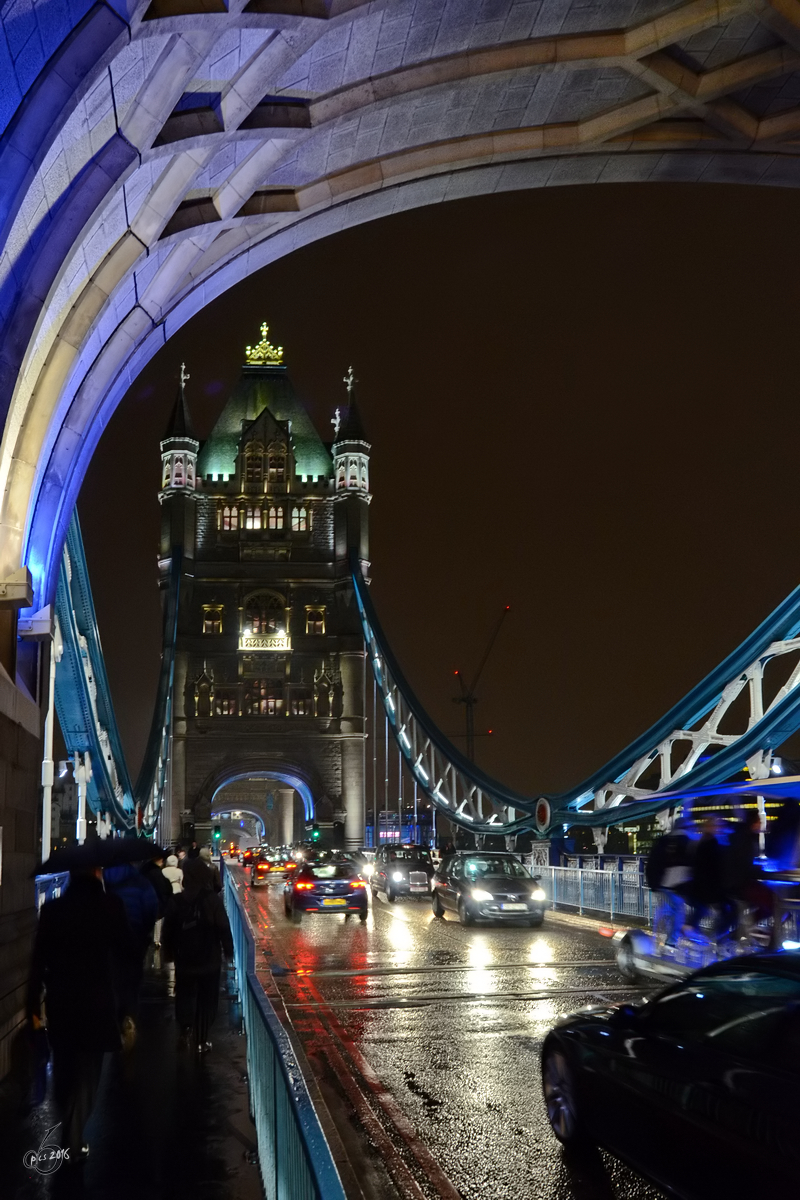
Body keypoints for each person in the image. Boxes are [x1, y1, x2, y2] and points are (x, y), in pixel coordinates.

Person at [26, 866, 133, 1162]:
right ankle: (74, 1137)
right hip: (97, 1001)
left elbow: (38, 962)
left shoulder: (52, 909)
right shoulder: (110, 906)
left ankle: (68, 1129)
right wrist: (125, 1004)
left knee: (64, 1068)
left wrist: (32, 1004)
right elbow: (126, 952)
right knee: (89, 1073)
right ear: (97, 874)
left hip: (61, 1001)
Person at [162, 858, 233, 1053]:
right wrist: (228, 950)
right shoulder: (212, 900)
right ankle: (201, 1040)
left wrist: (167, 953)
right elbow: (223, 927)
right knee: (207, 1000)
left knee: (184, 994)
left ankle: (185, 1028)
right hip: (209, 959)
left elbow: (168, 930)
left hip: (184, 959)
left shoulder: (177, 901)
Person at [103, 862, 159, 1043]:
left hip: (112, 939)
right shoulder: (141, 883)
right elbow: (151, 909)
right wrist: (146, 931)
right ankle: (130, 1015)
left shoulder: (106, 882)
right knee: (133, 980)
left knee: (114, 978)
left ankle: (116, 1017)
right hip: (136, 937)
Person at [645, 819, 693, 946]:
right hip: (677, 884)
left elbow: (652, 862)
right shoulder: (687, 840)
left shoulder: (664, 840)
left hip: (662, 882)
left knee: (664, 909)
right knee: (678, 910)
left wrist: (653, 884)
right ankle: (672, 940)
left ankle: (657, 938)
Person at [140, 852, 173, 946]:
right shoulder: (156, 872)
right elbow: (163, 889)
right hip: (155, 903)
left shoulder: (143, 870)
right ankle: (155, 941)